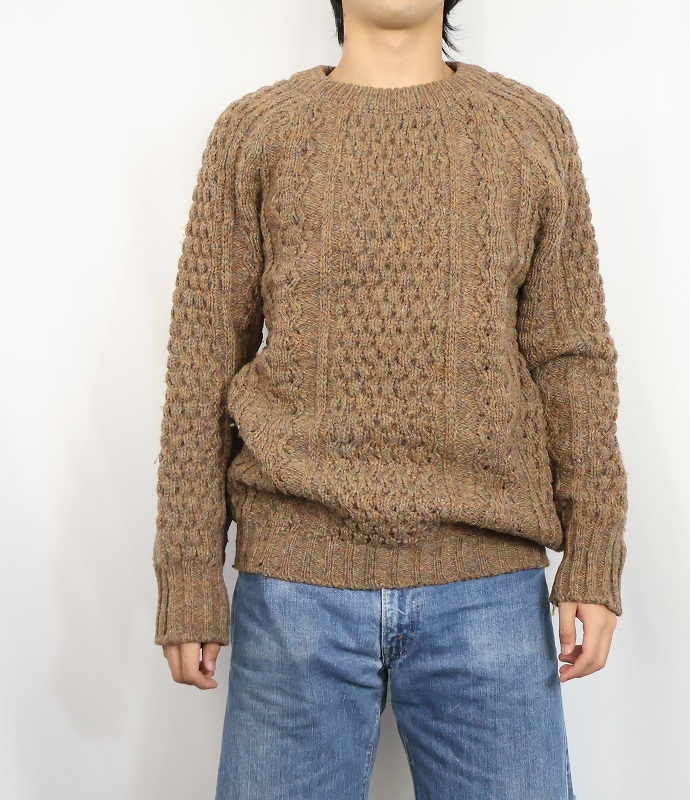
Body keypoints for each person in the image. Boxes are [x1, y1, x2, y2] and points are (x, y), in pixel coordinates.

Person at [152, 1, 628, 797]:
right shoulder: (256, 130)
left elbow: (571, 355)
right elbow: (203, 360)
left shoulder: (530, 128)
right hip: (294, 587)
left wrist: (594, 549)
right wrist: (189, 571)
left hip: (489, 584)